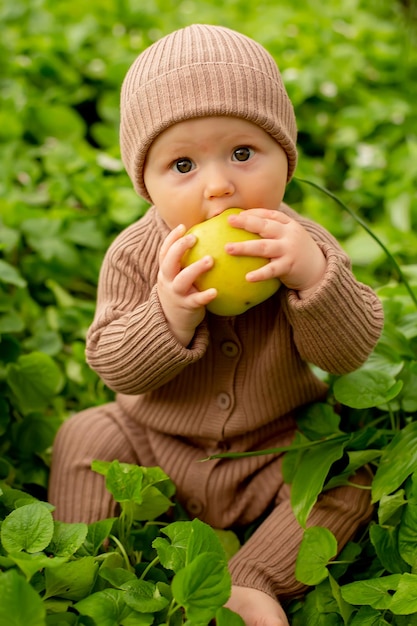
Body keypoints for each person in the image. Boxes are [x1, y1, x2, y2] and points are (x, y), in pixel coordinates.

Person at [49, 24, 384, 626]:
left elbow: (350, 355)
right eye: (182, 164)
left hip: (273, 445)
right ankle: (97, 570)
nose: (220, 185)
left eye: (243, 153)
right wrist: (168, 314)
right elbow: (110, 362)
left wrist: (313, 278)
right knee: (84, 438)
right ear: (145, 184)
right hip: (155, 442)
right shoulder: (135, 255)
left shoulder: (301, 243)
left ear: (286, 156)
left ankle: (253, 578)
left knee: (350, 475)